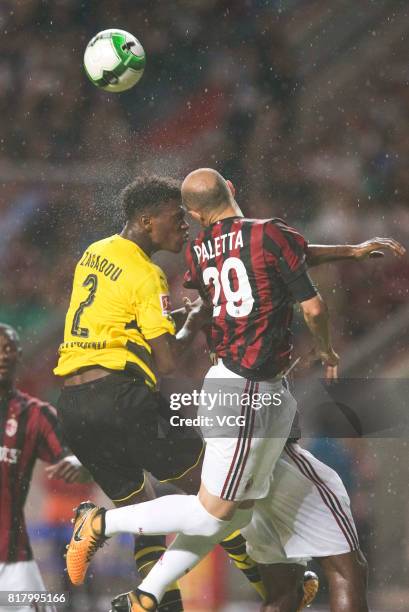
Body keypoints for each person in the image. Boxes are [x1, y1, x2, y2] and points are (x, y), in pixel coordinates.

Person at [64, 167, 343, 612]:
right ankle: (267, 580)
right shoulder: (148, 275)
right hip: (123, 397)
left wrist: (185, 321)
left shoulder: (94, 253)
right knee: (212, 498)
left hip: (76, 407)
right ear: (146, 221)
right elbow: (168, 361)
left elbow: (119, 324)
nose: (184, 224)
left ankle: (151, 600)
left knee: (149, 516)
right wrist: (188, 410)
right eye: (175, 217)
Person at [0, 323, 85, 612]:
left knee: (66, 580)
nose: (3, 355)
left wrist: (78, 464)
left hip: (18, 555)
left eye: (9, 349)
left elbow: (75, 465)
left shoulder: (36, 415)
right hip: (48, 522)